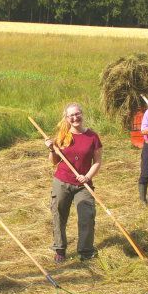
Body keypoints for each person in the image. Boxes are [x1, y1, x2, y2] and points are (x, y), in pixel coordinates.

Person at [44, 103, 102, 263]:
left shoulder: (92, 137)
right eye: (71, 116)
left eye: (77, 114)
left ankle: (85, 251)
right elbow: (53, 162)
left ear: (82, 114)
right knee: (59, 215)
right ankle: (60, 249)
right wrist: (51, 149)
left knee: (87, 216)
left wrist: (87, 177)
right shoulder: (62, 136)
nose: (75, 118)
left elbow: (97, 162)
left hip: (83, 184)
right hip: (62, 181)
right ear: (67, 118)